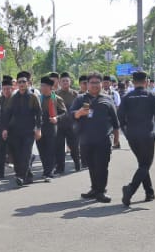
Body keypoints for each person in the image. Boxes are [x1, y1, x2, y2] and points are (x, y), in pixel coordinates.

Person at [118, 71, 155, 205]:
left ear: (133, 82)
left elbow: (120, 118)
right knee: (145, 165)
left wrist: (126, 133)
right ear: (146, 82)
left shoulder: (127, 97)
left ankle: (149, 192)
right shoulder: (151, 96)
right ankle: (130, 189)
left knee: (142, 164)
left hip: (132, 136)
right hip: (147, 135)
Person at [69, 73, 119, 203]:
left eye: (97, 82)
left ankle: (101, 191)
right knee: (91, 166)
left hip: (103, 140)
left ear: (102, 84)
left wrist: (116, 139)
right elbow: (70, 115)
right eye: (92, 83)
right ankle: (94, 189)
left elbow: (115, 121)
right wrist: (79, 113)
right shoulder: (80, 99)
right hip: (86, 140)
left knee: (102, 166)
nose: (95, 85)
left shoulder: (107, 99)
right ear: (87, 84)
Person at [0, 71, 42, 186]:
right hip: (15, 131)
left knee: (26, 154)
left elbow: (39, 113)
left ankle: (21, 177)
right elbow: (8, 114)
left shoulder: (33, 97)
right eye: (19, 82)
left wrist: (38, 129)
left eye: (24, 82)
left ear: (28, 83)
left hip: (29, 130)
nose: (22, 84)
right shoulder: (14, 97)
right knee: (17, 155)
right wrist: (5, 129)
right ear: (17, 84)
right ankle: (27, 176)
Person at [36, 75, 63, 180]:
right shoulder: (38, 99)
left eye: (44, 86)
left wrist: (57, 118)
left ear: (50, 87)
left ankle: (49, 172)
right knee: (41, 150)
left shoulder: (56, 98)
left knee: (50, 150)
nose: (42, 88)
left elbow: (64, 113)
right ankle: (45, 170)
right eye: (41, 85)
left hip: (51, 127)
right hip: (39, 127)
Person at [54, 72, 81, 172]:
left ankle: (77, 165)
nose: (65, 82)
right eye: (63, 81)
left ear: (70, 82)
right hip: (59, 125)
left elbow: (80, 108)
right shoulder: (55, 94)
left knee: (74, 147)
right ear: (60, 82)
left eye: (67, 81)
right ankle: (60, 168)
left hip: (72, 125)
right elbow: (52, 107)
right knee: (59, 148)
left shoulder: (75, 94)